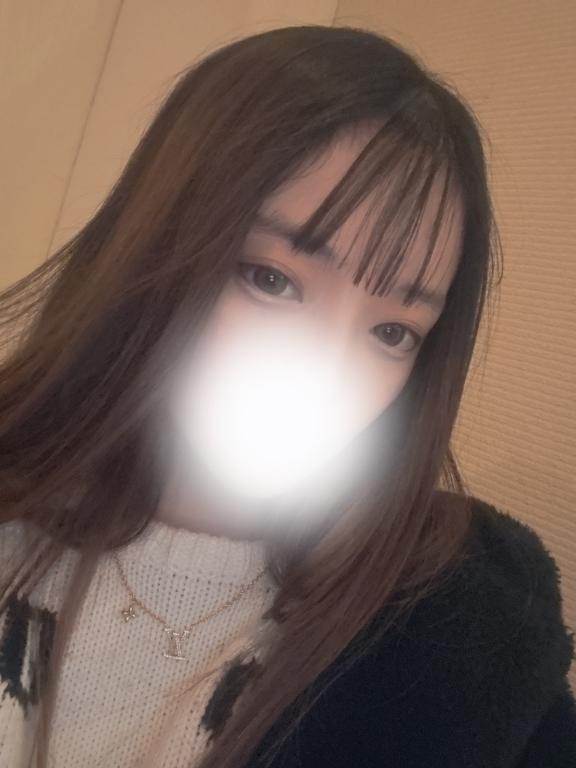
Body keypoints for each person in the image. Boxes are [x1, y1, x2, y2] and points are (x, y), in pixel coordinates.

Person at [0, 23, 574, 768]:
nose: (328, 370)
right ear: (153, 250)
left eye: (393, 331)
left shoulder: (461, 636)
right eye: (272, 280)